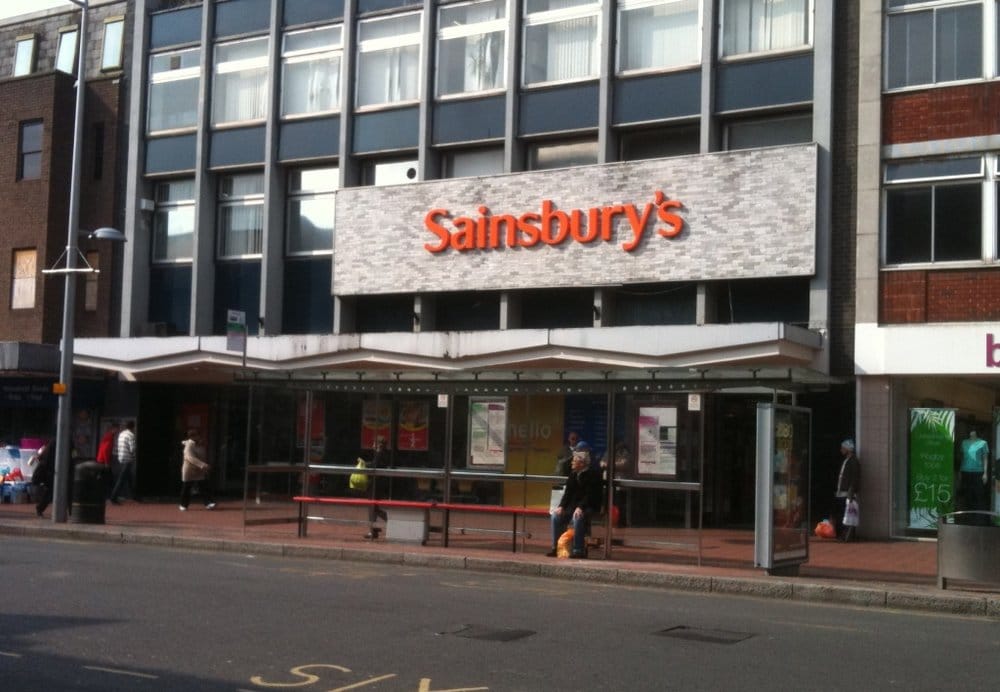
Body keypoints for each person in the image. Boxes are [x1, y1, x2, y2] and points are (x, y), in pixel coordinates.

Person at [547, 447, 602, 559]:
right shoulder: (573, 474)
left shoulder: (593, 475)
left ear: (582, 463)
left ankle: (578, 550)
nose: (572, 462)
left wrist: (580, 507)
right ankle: (556, 548)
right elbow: (567, 494)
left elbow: (590, 496)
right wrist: (561, 506)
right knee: (555, 516)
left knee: (578, 517)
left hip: (588, 506)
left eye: (574, 460)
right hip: (573, 507)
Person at [179, 429, 216, 511]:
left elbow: (202, 455)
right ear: (192, 437)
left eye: (199, 435)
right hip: (189, 470)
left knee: (203, 486)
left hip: (199, 470)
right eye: (196, 435)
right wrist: (203, 465)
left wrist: (204, 466)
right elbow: (190, 457)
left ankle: (208, 503)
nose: (199, 437)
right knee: (187, 488)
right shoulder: (189, 445)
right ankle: (183, 505)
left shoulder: (200, 444)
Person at [959, 430, 989, 524]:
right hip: (965, 471)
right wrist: (960, 471)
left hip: (978, 472)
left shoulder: (983, 443)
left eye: (974, 431)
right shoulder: (964, 442)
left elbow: (985, 458)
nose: (972, 432)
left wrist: (985, 473)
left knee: (979, 495)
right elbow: (962, 457)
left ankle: (980, 519)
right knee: (967, 495)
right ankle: (967, 519)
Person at [833, 439, 860, 541]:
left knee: (846, 515)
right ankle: (842, 534)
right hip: (841, 492)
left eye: (843, 448)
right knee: (841, 514)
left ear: (848, 449)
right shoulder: (847, 460)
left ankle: (846, 535)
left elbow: (855, 478)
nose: (841, 450)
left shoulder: (853, 462)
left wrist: (851, 491)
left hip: (847, 493)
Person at [365, 437, 390, 539]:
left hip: (376, 483)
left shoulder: (380, 454)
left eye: (374, 443)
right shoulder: (384, 454)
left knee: (373, 507)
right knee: (374, 507)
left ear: (379, 445)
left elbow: (375, 466)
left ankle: (390, 520)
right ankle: (373, 529)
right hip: (380, 483)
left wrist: (365, 465)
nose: (373, 446)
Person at [110, 421, 137, 504]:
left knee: (129, 478)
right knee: (121, 479)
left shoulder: (121, 434)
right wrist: (134, 457)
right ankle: (113, 497)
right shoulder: (131, 435)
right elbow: (132, 448)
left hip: (121, 458)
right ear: (133, 427)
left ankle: (134, 496)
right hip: (127, 459)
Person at [31, 439, 54, 518]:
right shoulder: (52, 446)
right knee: (49, 492)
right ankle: (40, 508)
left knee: (49, 492)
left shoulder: (48, 447)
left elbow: (41, 458)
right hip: (47, 472)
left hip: (46, 471)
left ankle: (40, 508)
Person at [96, 423, 119, 500]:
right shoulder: (109, 437)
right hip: (103, 461)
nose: (117, 431)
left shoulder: (109, 436)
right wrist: (106, 462)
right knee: (108, 479)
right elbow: (105, 450)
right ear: (113, 429)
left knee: (105, 478)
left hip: (102, 460)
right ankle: (110, 495)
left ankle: (108, 495)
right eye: (117, 429)